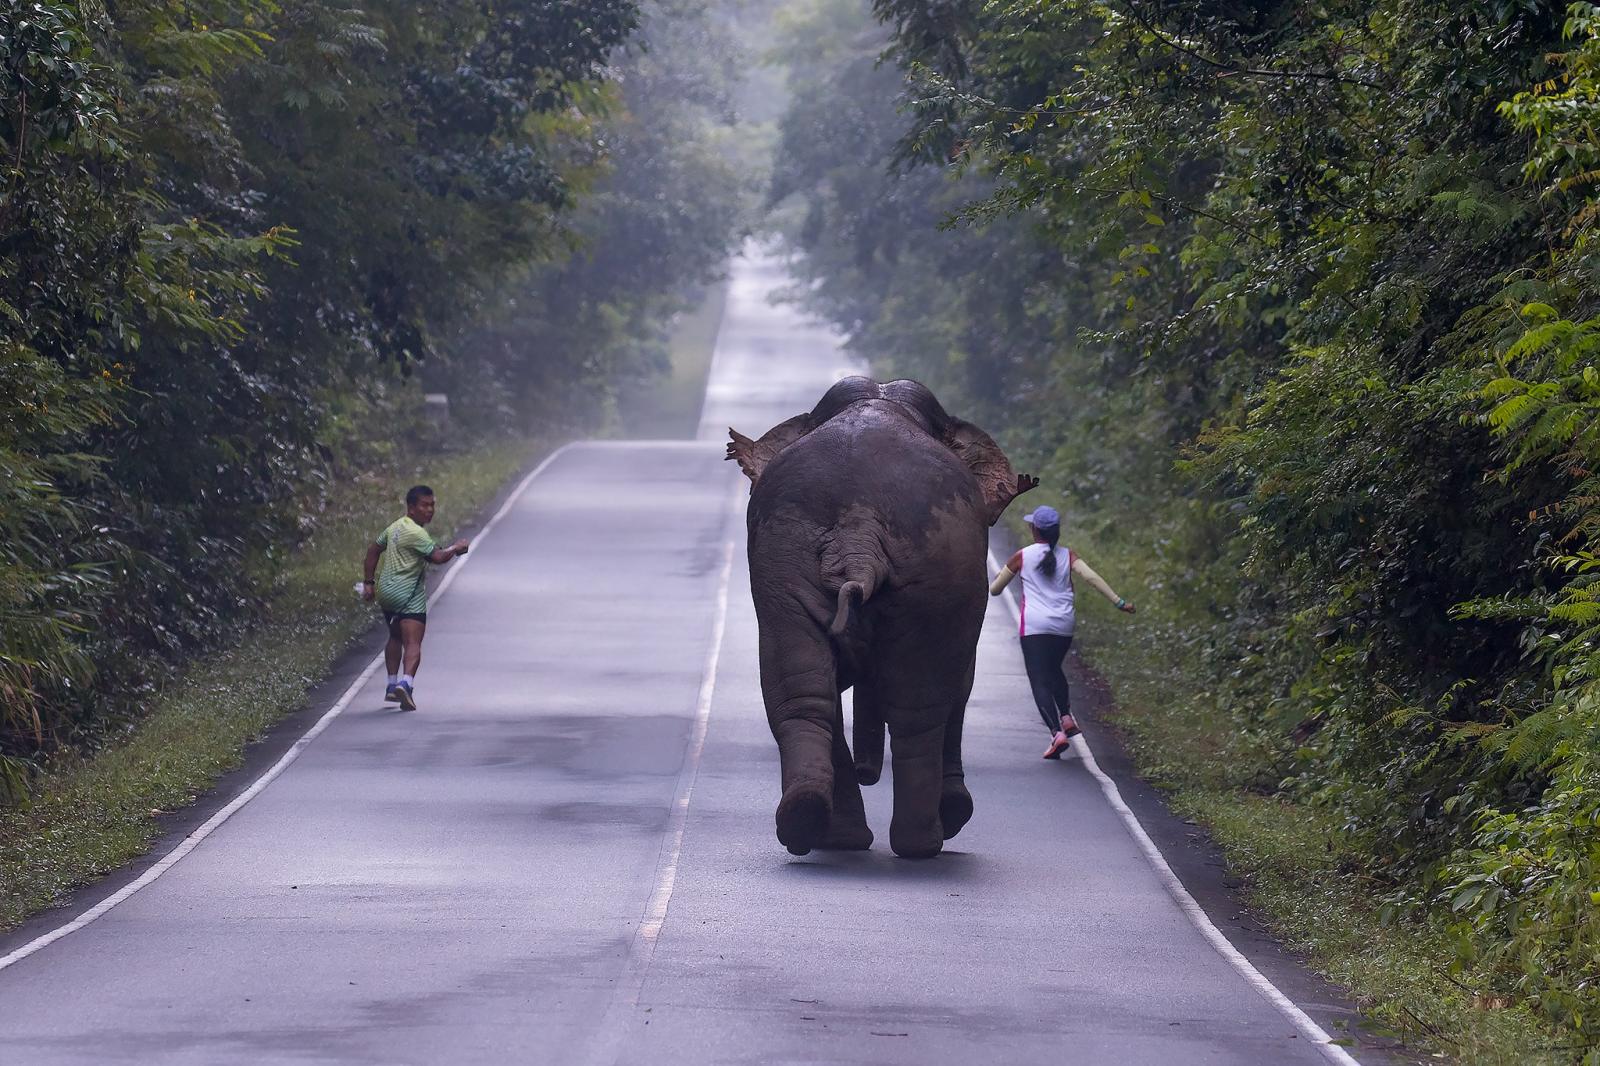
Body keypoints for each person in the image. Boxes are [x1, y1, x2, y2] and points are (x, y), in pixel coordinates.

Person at [989, 504, 1135, 758]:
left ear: (1034, 530)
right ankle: (1066, 716)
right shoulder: (1069, 556)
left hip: (1034, 627)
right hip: (1063, 626)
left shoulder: (1023, 556)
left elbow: (995, 589)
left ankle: (1056, 733)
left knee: (1039, 677)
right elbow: (1092, 578)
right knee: (1054, 668)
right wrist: (1119, 602)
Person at [361, 485, 470, 710]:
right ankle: (406, 684)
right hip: (407, 593)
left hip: (387, 592)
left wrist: (369, 582)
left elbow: (373, 550)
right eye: (424, 505)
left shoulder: (395, 527)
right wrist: (456, 548)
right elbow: (438, 557)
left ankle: (391, 686)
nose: (430, 510)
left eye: (432, 505)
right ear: (411, 508)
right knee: (413, 641)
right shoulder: (416, 533)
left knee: (395, 636)